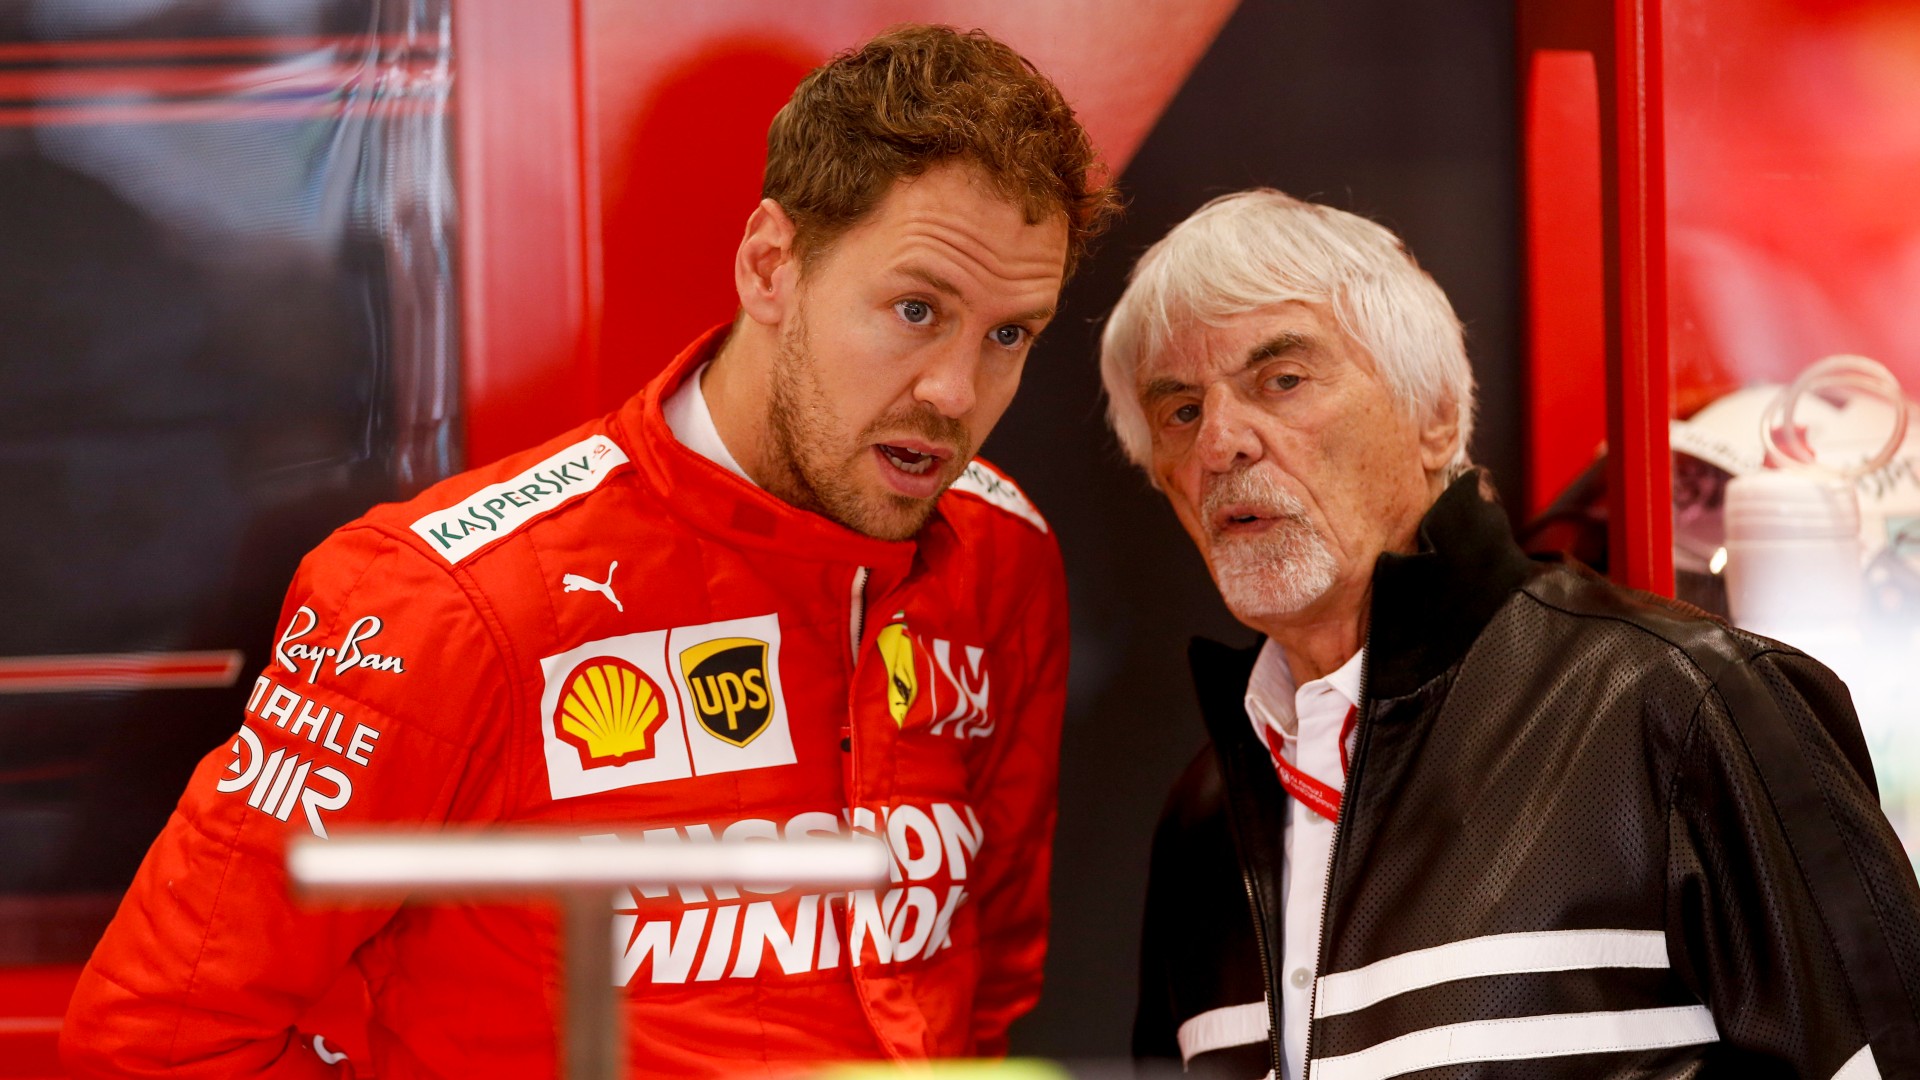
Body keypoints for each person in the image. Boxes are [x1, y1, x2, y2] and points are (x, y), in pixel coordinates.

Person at [62, 25, 1117, 1078]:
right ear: (770, 266)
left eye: (1009, 334)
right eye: (916, 309)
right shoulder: (445, 599)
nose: (956, 393)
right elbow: (154, 1045)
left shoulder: (1003, 553)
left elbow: (985, 981)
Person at [1108, 190, 1920, 1080]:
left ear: (1434, 419)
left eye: (1283, 380)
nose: (1220, 442)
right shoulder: (1203, 816)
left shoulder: (1681, 705)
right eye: (1179, 411)